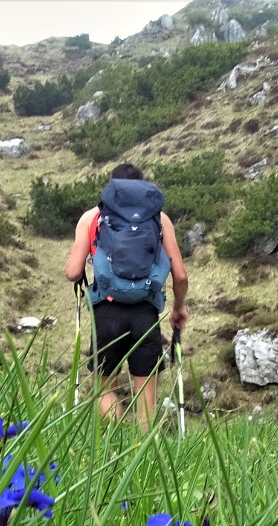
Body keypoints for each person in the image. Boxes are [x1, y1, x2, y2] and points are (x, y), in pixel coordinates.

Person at [64, 163, 188, 430]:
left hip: (106, 314)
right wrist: (178, 309)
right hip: (145, 313)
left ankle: (117, 443)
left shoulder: (92, 217)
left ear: (112, 188)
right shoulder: (159, 219)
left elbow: (73, 272)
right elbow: (180, 276)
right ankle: (144, 455)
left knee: (103, 388)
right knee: (146, 403)